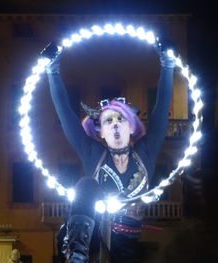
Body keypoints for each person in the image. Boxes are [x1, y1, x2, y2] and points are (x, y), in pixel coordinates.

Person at [44, 40, 175, 263]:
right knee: (86, 185)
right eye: (108, 121)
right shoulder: (92, 153)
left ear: (132, 126)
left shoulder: (146, 152)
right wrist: (53, 70)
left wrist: (167, 64)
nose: (115, 124)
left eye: (120, 119)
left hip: (129, 243)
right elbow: (65, 112)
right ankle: (77, 256)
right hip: (93, 237)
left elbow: (162, 108)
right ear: (100, 132)